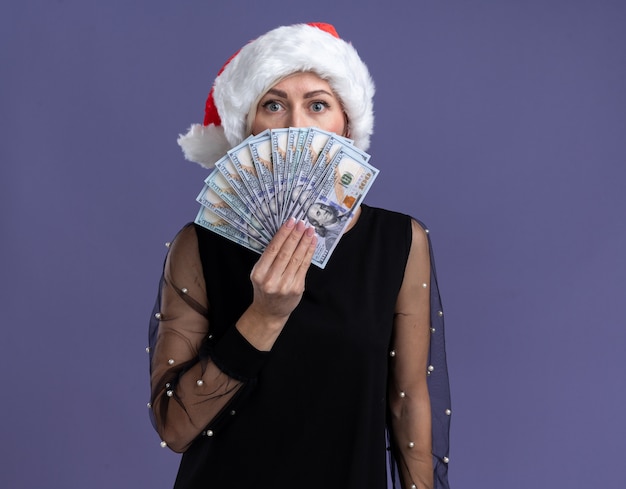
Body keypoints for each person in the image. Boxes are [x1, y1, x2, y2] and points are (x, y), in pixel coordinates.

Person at [148, 22, 451, 489]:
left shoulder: (399, 242)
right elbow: (175, 426)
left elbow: (408, 399)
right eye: (273, 104)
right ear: (247, 128)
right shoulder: (199, 245)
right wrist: (264, 316)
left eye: (317, 104)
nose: (295, 125)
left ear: (346, 126)